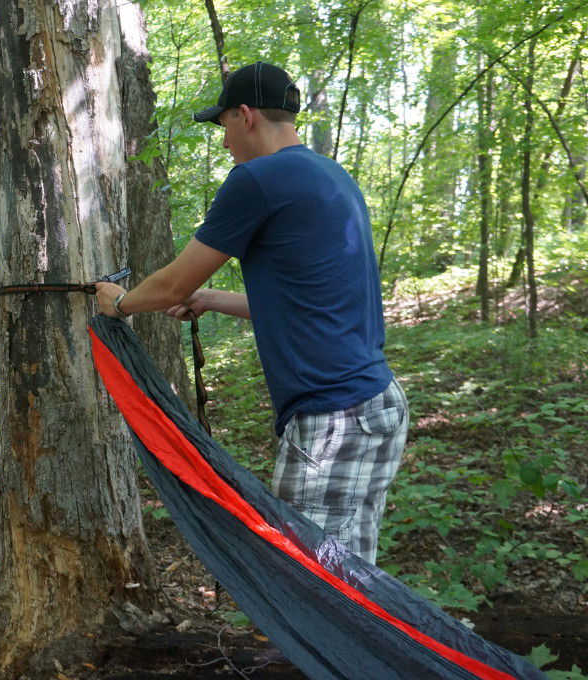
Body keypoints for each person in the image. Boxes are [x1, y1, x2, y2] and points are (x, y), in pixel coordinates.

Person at [94, 61, 408, 564]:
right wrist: (212, 299)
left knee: (315, 581)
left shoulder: (257, 179)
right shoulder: (330, 174)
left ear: (245, 115)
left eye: (223, 128)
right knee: (355, 579)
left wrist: (121, 304)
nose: (224, 144)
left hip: (334, 418)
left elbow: (175, 281)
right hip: (376, 405)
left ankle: (328, 647)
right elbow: (311, 304)